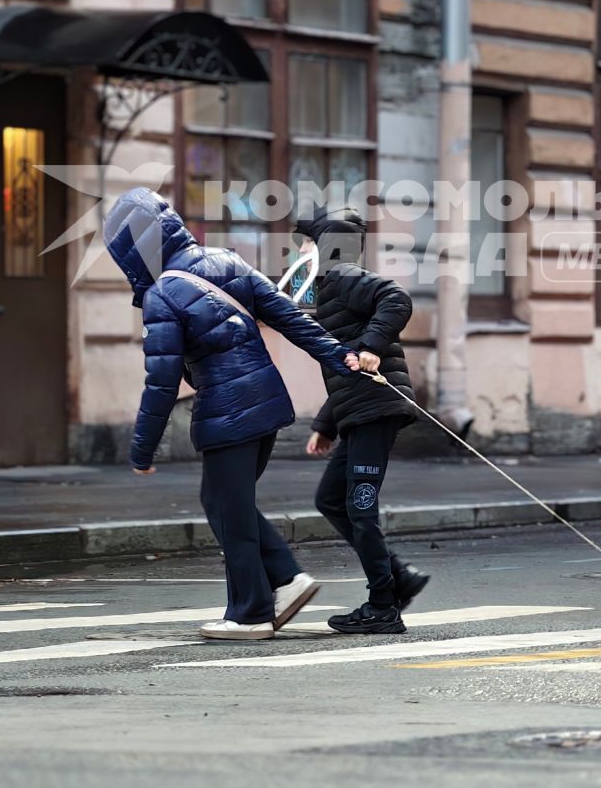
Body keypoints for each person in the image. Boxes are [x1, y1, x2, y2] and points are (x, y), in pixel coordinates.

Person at [104, 188, 360, 642]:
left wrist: (142, 448)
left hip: (228, 412)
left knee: (231, 511)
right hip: (265, 405)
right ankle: (282, 580)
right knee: (224, 504)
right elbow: (291, 319)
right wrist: (341, 356)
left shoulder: (163, 294)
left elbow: (161, 383)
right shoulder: (228, 261)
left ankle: (253, 611)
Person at [296, 208, 429, 635]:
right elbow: (342, 370)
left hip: (376, 409)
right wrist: (325, 424)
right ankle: (398, 578)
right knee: (331, 499)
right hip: (358, 410)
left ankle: (382, 605)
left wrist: (373, 344)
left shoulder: (344, 277)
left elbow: (396, 299)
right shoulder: (327, 289)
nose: (299, 251)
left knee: (360, 505)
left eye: (305, 243)